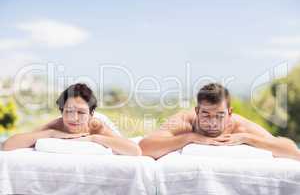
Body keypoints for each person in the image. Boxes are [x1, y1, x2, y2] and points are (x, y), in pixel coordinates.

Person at [139, 83, 300, 160]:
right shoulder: (185, 122)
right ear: (197, 111)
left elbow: (291, 150)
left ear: (229, 113)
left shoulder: (240, 126)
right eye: (206, 115)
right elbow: (144, 147)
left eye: (219, 115)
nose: (213, 122)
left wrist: (247, 138)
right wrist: (190, 137)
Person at [2, 83, 141, 156]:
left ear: (91, 113)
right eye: (68, 111)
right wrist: (51, 134)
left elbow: (135, 151)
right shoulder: (57, 124)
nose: (74, 118)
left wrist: (94, 138)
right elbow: (7, 145)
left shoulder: (96, 125)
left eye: (81, 112)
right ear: (61, 111)